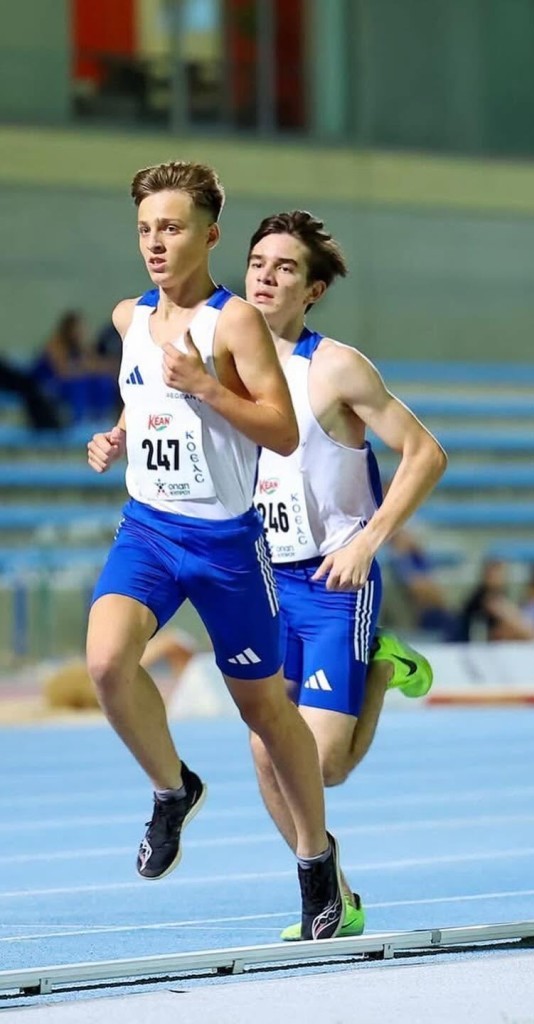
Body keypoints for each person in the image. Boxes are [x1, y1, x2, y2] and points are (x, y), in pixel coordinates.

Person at [85, 161, 348, 941]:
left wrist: (207, 386)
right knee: (105, 664)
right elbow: (142, 399)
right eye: (144, 229)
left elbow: (282, 430)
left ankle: (313, 857)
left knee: (265, 711)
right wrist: (119, 436)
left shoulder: (234, 325)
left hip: (228, 543)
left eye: (171, 228)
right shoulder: (130, 316)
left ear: (209, 235)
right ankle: (173, 791)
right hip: (150, 529)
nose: (155, 244)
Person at [244, 210, 447, 938]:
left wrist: (368, 541)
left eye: (285, 268)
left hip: (334, 585)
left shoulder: (334, 367)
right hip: (263, 588)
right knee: (267, 759)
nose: (266, 276)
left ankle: (382, 670)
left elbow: (425, 454)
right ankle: (338, 896)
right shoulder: (224, 361)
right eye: (258, 262)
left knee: (322, 767)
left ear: (314, 289)